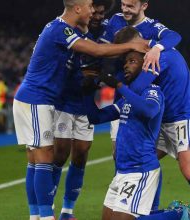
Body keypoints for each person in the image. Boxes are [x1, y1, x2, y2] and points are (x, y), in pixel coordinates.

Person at [12, 0, 151, 219]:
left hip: (43, 100)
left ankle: (42, 215)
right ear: (77, 8)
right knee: (45, 156)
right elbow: (95, 50)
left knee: (39, 158)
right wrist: (131, 45)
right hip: (36, 98)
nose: (92, 11)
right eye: (89, 7)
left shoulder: (67, 30)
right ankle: (45, 216)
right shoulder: (61, 29)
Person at [116, 27, 190, 220]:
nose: (126, 58)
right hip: (164, 120)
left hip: (183, 117)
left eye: (128, 52)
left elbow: (138, 87)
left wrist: (117, 87)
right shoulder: (156, 50)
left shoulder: (157, 57)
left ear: (136, 43)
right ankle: (152, 211)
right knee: (146, 160)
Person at [84, 50, 190, 220]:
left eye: (132, 61)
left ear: (144, 66)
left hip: (140, 169)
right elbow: (95, 117)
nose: (126, 65)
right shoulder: (126, 99)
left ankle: (179, 215)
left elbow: (150, 110)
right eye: (125, 63)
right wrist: (89, 90)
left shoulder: (153, 91)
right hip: (122, 171)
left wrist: (120, 86)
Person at [100, 1, 182, 210]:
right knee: (119, 155)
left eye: (130, 5)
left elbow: (175, 36)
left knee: (144, 155)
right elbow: (100, 45)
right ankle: (128, 203)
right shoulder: (114, 22)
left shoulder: (152, 27)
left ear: (144, 5)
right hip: (121, 97)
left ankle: (151, 207)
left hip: (141, 95)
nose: (125, 9)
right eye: (123, 4)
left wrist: (156, 48)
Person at [51, 1, 115, 219]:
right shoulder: (73, 27)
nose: (97, 15)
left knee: (81, 154)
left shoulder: (108, 29)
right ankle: (46, 207)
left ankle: (67, 212)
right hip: (65, 99)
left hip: (86, 100)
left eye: (101, 11)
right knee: (60, 154)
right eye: (94, 10)